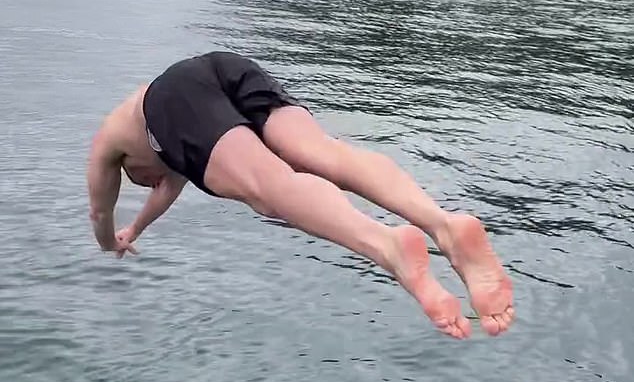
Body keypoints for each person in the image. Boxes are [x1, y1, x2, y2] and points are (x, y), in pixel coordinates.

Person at [87, 51, 514, 339]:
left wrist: (109, 242)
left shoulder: (113, 142)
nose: (157, 182)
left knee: (269, 188)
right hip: (224, 67)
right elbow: (165, 190)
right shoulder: (169, 149)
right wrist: (135, 230)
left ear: (135, 171)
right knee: (321, 154)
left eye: (144, 181)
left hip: (176, 95)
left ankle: (387, 247)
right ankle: (442, 223)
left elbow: (98, 210)